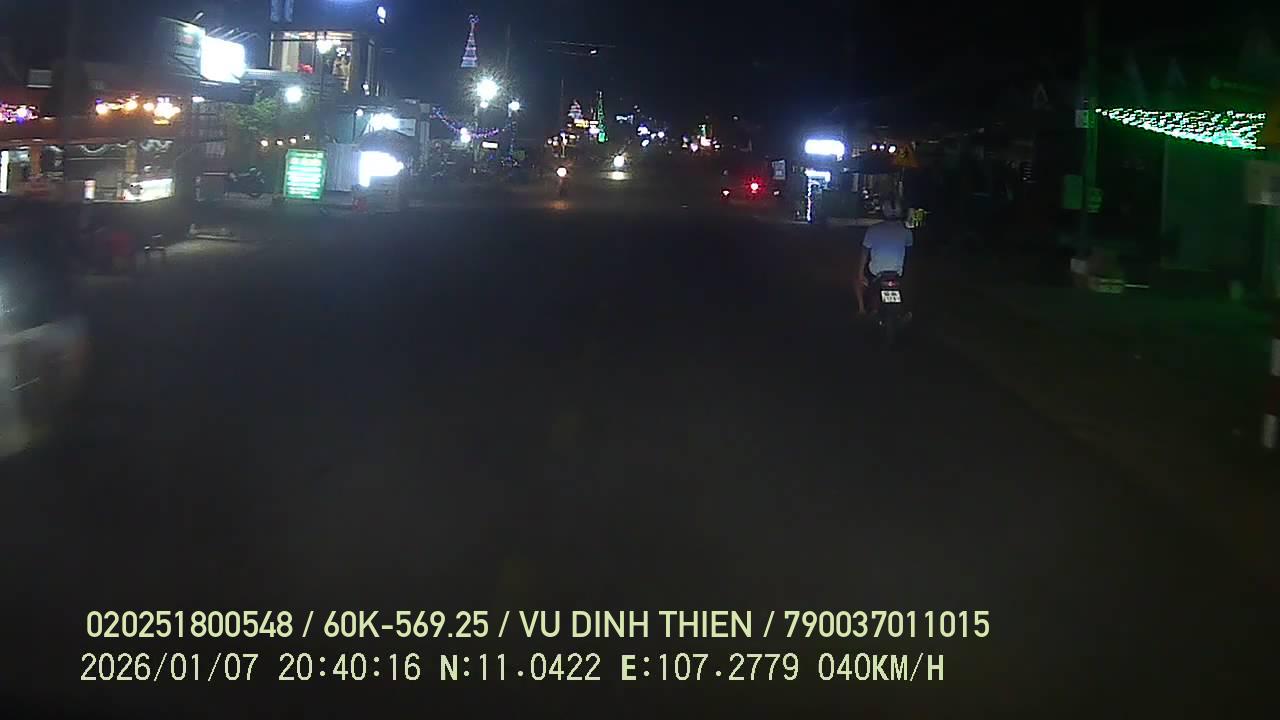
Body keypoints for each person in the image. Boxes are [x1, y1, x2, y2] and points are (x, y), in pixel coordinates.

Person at [856, 196, 913, 316]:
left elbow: (864, 253)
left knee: (858, 282)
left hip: (876, 273)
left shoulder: (873, 230)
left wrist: (860, 273)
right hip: (897, 273)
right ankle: (905, 311)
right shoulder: (906, 231)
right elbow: (908, 254)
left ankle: (862, 310)